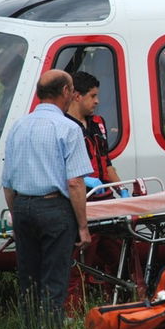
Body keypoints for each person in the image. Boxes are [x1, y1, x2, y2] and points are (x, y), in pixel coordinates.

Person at [2, 70, 93, 329]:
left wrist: (17, 216)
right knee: (55, 277)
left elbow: (7, 183)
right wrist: (83, 227)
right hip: (54, 209)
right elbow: (75, 183)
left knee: (28, 277)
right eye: (72, 89)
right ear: (65, 92)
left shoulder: (18, 127)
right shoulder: (68, 128)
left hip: (22, 206)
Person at [64, 71, 127, 310]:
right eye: (93, 96)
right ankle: (73, 313)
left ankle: (119, 302)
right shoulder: (64, 127)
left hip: (105, 200)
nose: (97, 101)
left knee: (119, 255)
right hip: (84, 202)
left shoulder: (97, 124)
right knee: (80, 263)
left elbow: (106, 163)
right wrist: (87, 184)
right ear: (77, 96)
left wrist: (121, 190)